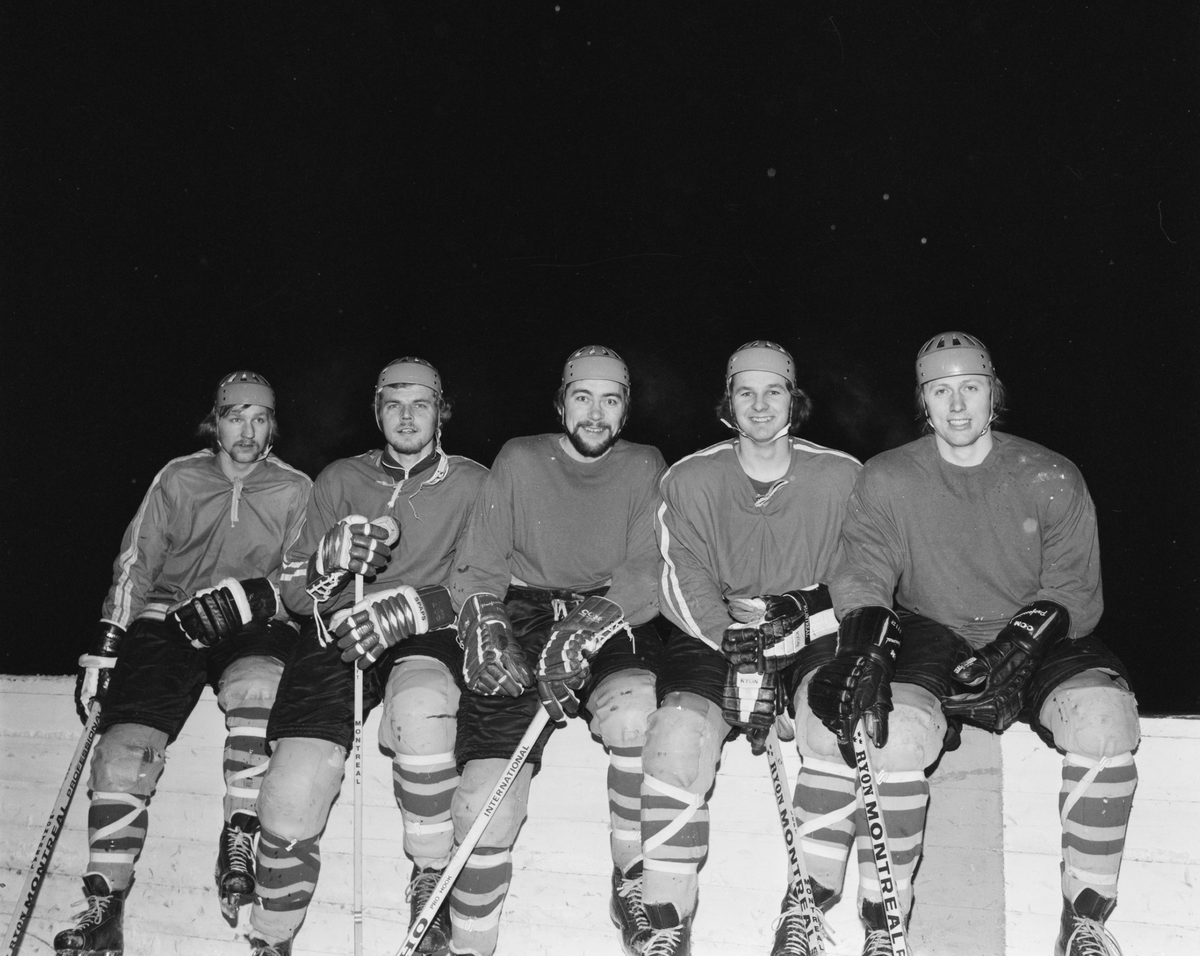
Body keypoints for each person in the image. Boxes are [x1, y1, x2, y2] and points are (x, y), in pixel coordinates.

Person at [809, 331, 1140, 956]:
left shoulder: (1049, 473)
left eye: (971, 387)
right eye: (940, 390)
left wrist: (1025, 636)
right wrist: (865, 645)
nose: (957, 405)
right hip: (933, 629)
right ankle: (885, 924)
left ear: (995, 395)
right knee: (894, 732)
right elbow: (863, 572)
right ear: (922, 403)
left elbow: (1078, 590)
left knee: (1104, 719)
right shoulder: (888, 478)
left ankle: (1086, 920)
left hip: (1036, 629)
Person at [56, 371, 311, 955]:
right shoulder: (179, 476)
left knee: (259, 687)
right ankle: (106, 903)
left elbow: (303, 575)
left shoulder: (296, 488)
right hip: (169, 619)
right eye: (234, 416)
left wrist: (254, 596)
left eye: (260, 418)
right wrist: (107, 643)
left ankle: (240, 835)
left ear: (273, 425)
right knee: (124, 747)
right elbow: (136, 561)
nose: (246, 431)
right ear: (214, 421)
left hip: (250, 623)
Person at [246, 358, 487, 956]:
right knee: (295, 783)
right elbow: (296, 589)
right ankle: (270, 938)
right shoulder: (338, 479)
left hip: (426, 626)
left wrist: (412, 607)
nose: (407, 417)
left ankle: (429, 880)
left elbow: (487, 583)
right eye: (392, 404)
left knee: (422, 710)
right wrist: (329, 560)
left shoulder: (475, 482)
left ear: (441, 411)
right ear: (376, 410)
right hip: (341, 622)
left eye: (421, 404)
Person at [446, 345, 667, 956]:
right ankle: (469, 939)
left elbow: (648, 572)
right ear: (561, 402)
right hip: (525, 608)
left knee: (632, 714)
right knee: (484, 801)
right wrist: (484, 621)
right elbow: (480, 562)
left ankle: (631, 875)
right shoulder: (520, 457)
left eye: (611, 400)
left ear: (625, 412)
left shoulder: (644, 463)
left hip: (610, 609)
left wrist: (587, 628)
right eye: (582, 397)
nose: (595, 414)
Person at [645, 341, 861, 956]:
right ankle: (666, 922)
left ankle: (806, 909)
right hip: (715, 633)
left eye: (774, 391)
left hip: (814, 632)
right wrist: (731, 640)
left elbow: (864, 574)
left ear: (796, 400)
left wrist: (802, 618)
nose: (760, 405)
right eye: (746, 392)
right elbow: (676, 575)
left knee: (830, 727)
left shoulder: (843, 475)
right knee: (676, 736)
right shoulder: (688, 478)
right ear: (727, 403)